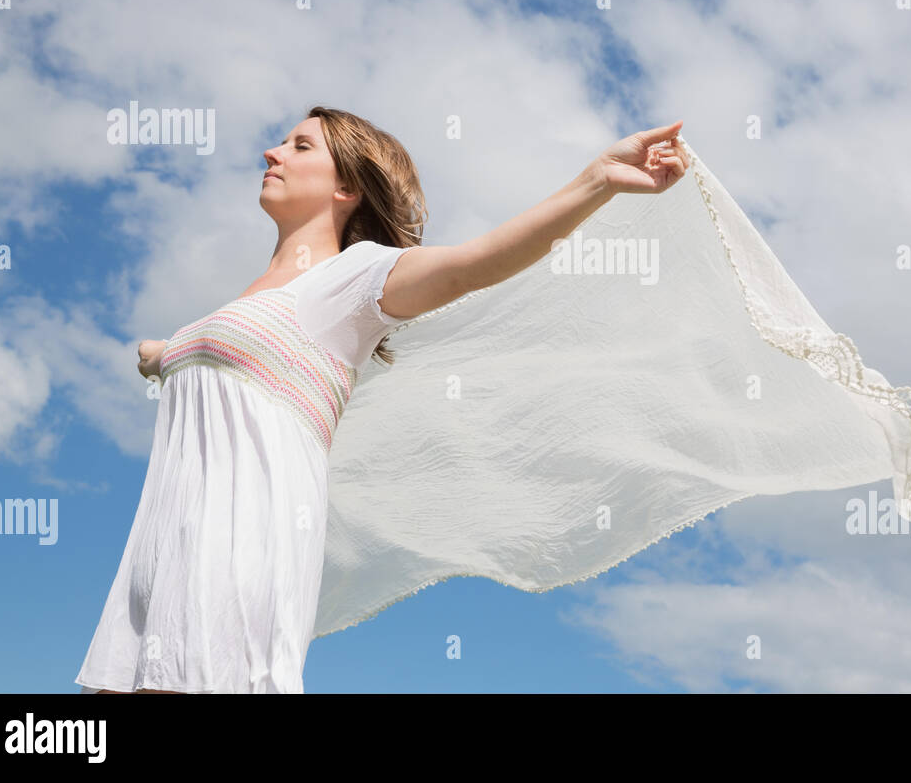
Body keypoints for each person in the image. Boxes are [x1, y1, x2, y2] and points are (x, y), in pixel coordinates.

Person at [75, 106, 689, 693]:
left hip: (237, 545)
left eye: (300, 145)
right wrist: (161, 353)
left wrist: (597, 179)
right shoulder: (242, 306)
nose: (272, 151)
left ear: (347, 189)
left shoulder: (353, 278)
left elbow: (475, 265)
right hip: (158, 551)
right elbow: (193, 355)